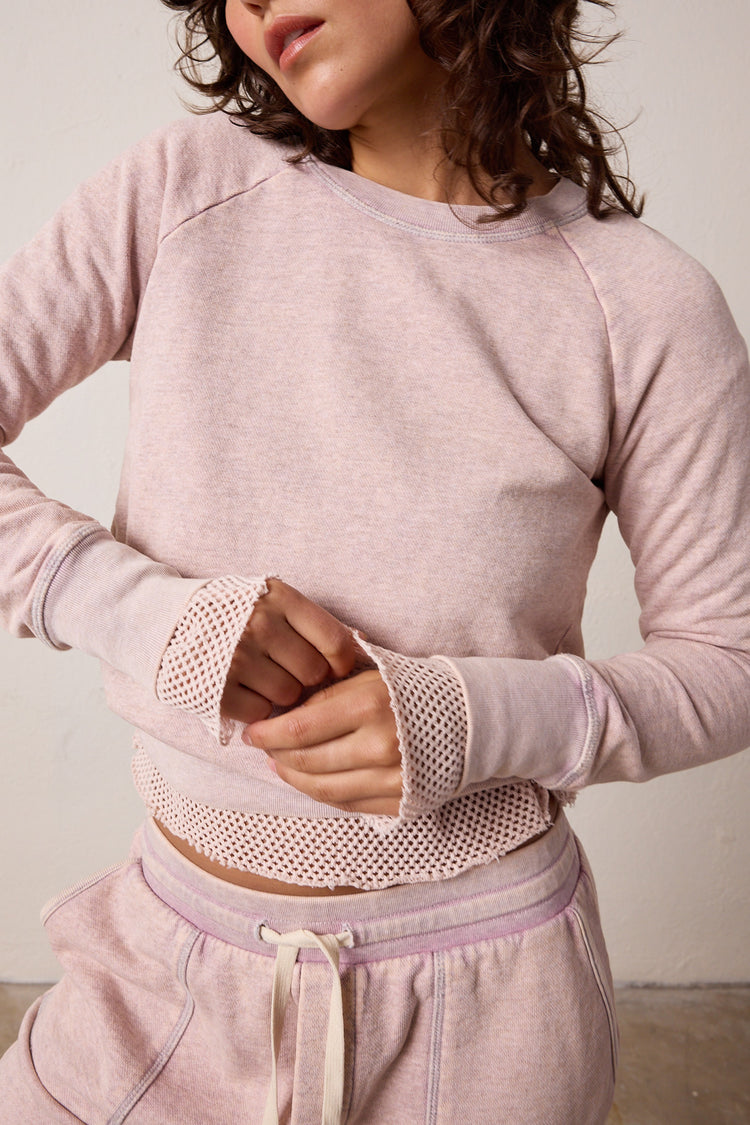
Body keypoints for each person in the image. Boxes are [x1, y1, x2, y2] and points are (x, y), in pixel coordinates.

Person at [1, 1, 749, 1122]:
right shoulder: (183, 193)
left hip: (491, 1021)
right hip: (160, 985)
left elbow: (730, 659)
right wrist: (141, 614)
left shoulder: (642, 302)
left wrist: (474, 721)